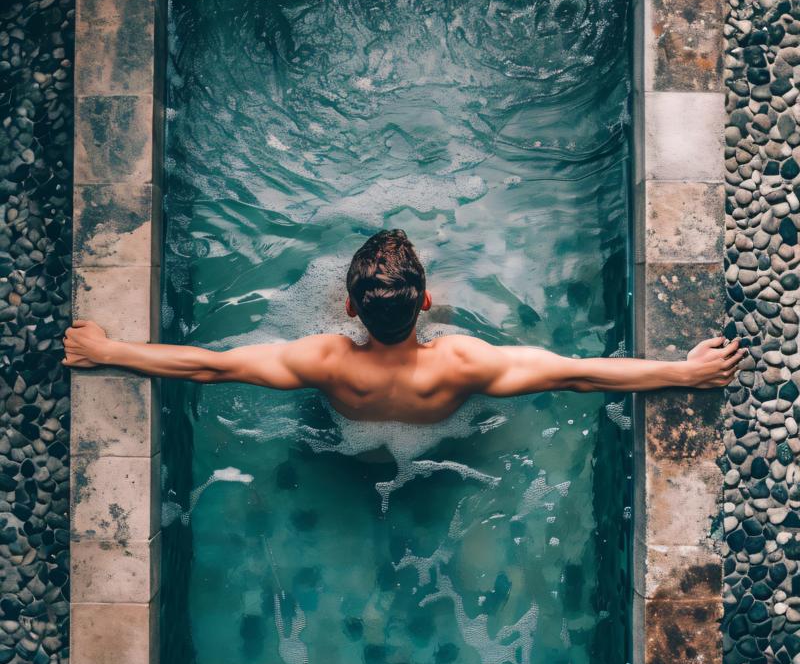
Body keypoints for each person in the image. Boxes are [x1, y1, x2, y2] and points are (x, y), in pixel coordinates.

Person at [63, 228, 743, 425]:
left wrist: (109, 349)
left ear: (351, 308)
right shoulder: (463, 363)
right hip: (443, 439)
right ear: (422, 304)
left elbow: (206, 365)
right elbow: (581, 374)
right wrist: (686, 372)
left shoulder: (321, 359)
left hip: (345, 437)